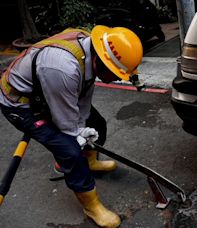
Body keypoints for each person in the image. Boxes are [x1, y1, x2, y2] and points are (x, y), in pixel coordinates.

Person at [0, 25, 143, 228]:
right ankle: (91, 207)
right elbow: (64, 122)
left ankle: (90, 163)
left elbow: (84, 93)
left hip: (49, 91)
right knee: (69, 150)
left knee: (97, 124)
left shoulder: (91, 50)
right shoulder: (63, 68)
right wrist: (76, 136)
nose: (119, 78)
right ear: (100, 60)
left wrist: (84, 125)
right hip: (21, 103)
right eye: (115, 72)